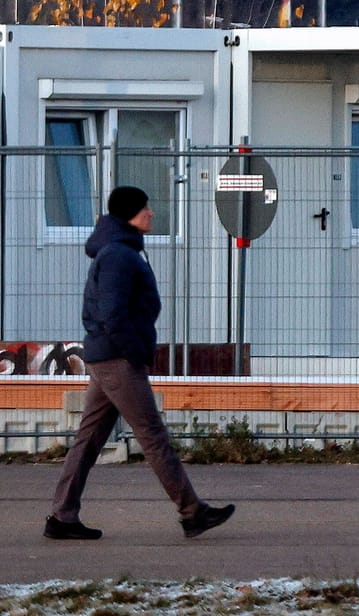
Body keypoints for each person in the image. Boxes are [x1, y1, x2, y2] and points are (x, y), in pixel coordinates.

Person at [46, 185, 235, 541]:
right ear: (130, 214)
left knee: (88, 440)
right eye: (146, 208)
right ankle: (192, 512)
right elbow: (112, 313)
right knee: (152, 435)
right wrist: (134, 352)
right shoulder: (118, 254)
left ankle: (62, 516)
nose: (152, 213)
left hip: (109, 357)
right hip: (118, 359)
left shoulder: (121, 250)